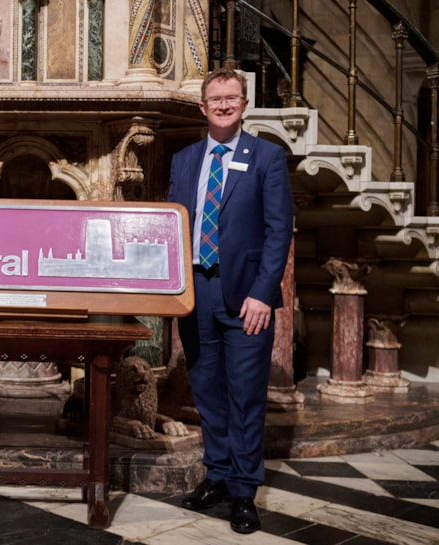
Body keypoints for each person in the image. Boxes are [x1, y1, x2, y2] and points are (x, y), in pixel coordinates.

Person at [167, 68, 294, 534]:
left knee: (245, 396)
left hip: (246, 297)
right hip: (196, 291)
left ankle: (244, 491)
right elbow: (170, 225)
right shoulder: (183, 160)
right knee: (207, 392)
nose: (223, 105)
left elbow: (279, 231)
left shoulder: (267, 157)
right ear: (202, 107)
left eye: (231, 98)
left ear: (244, 105)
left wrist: (264, 293)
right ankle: (217, 476)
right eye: (215, 99)